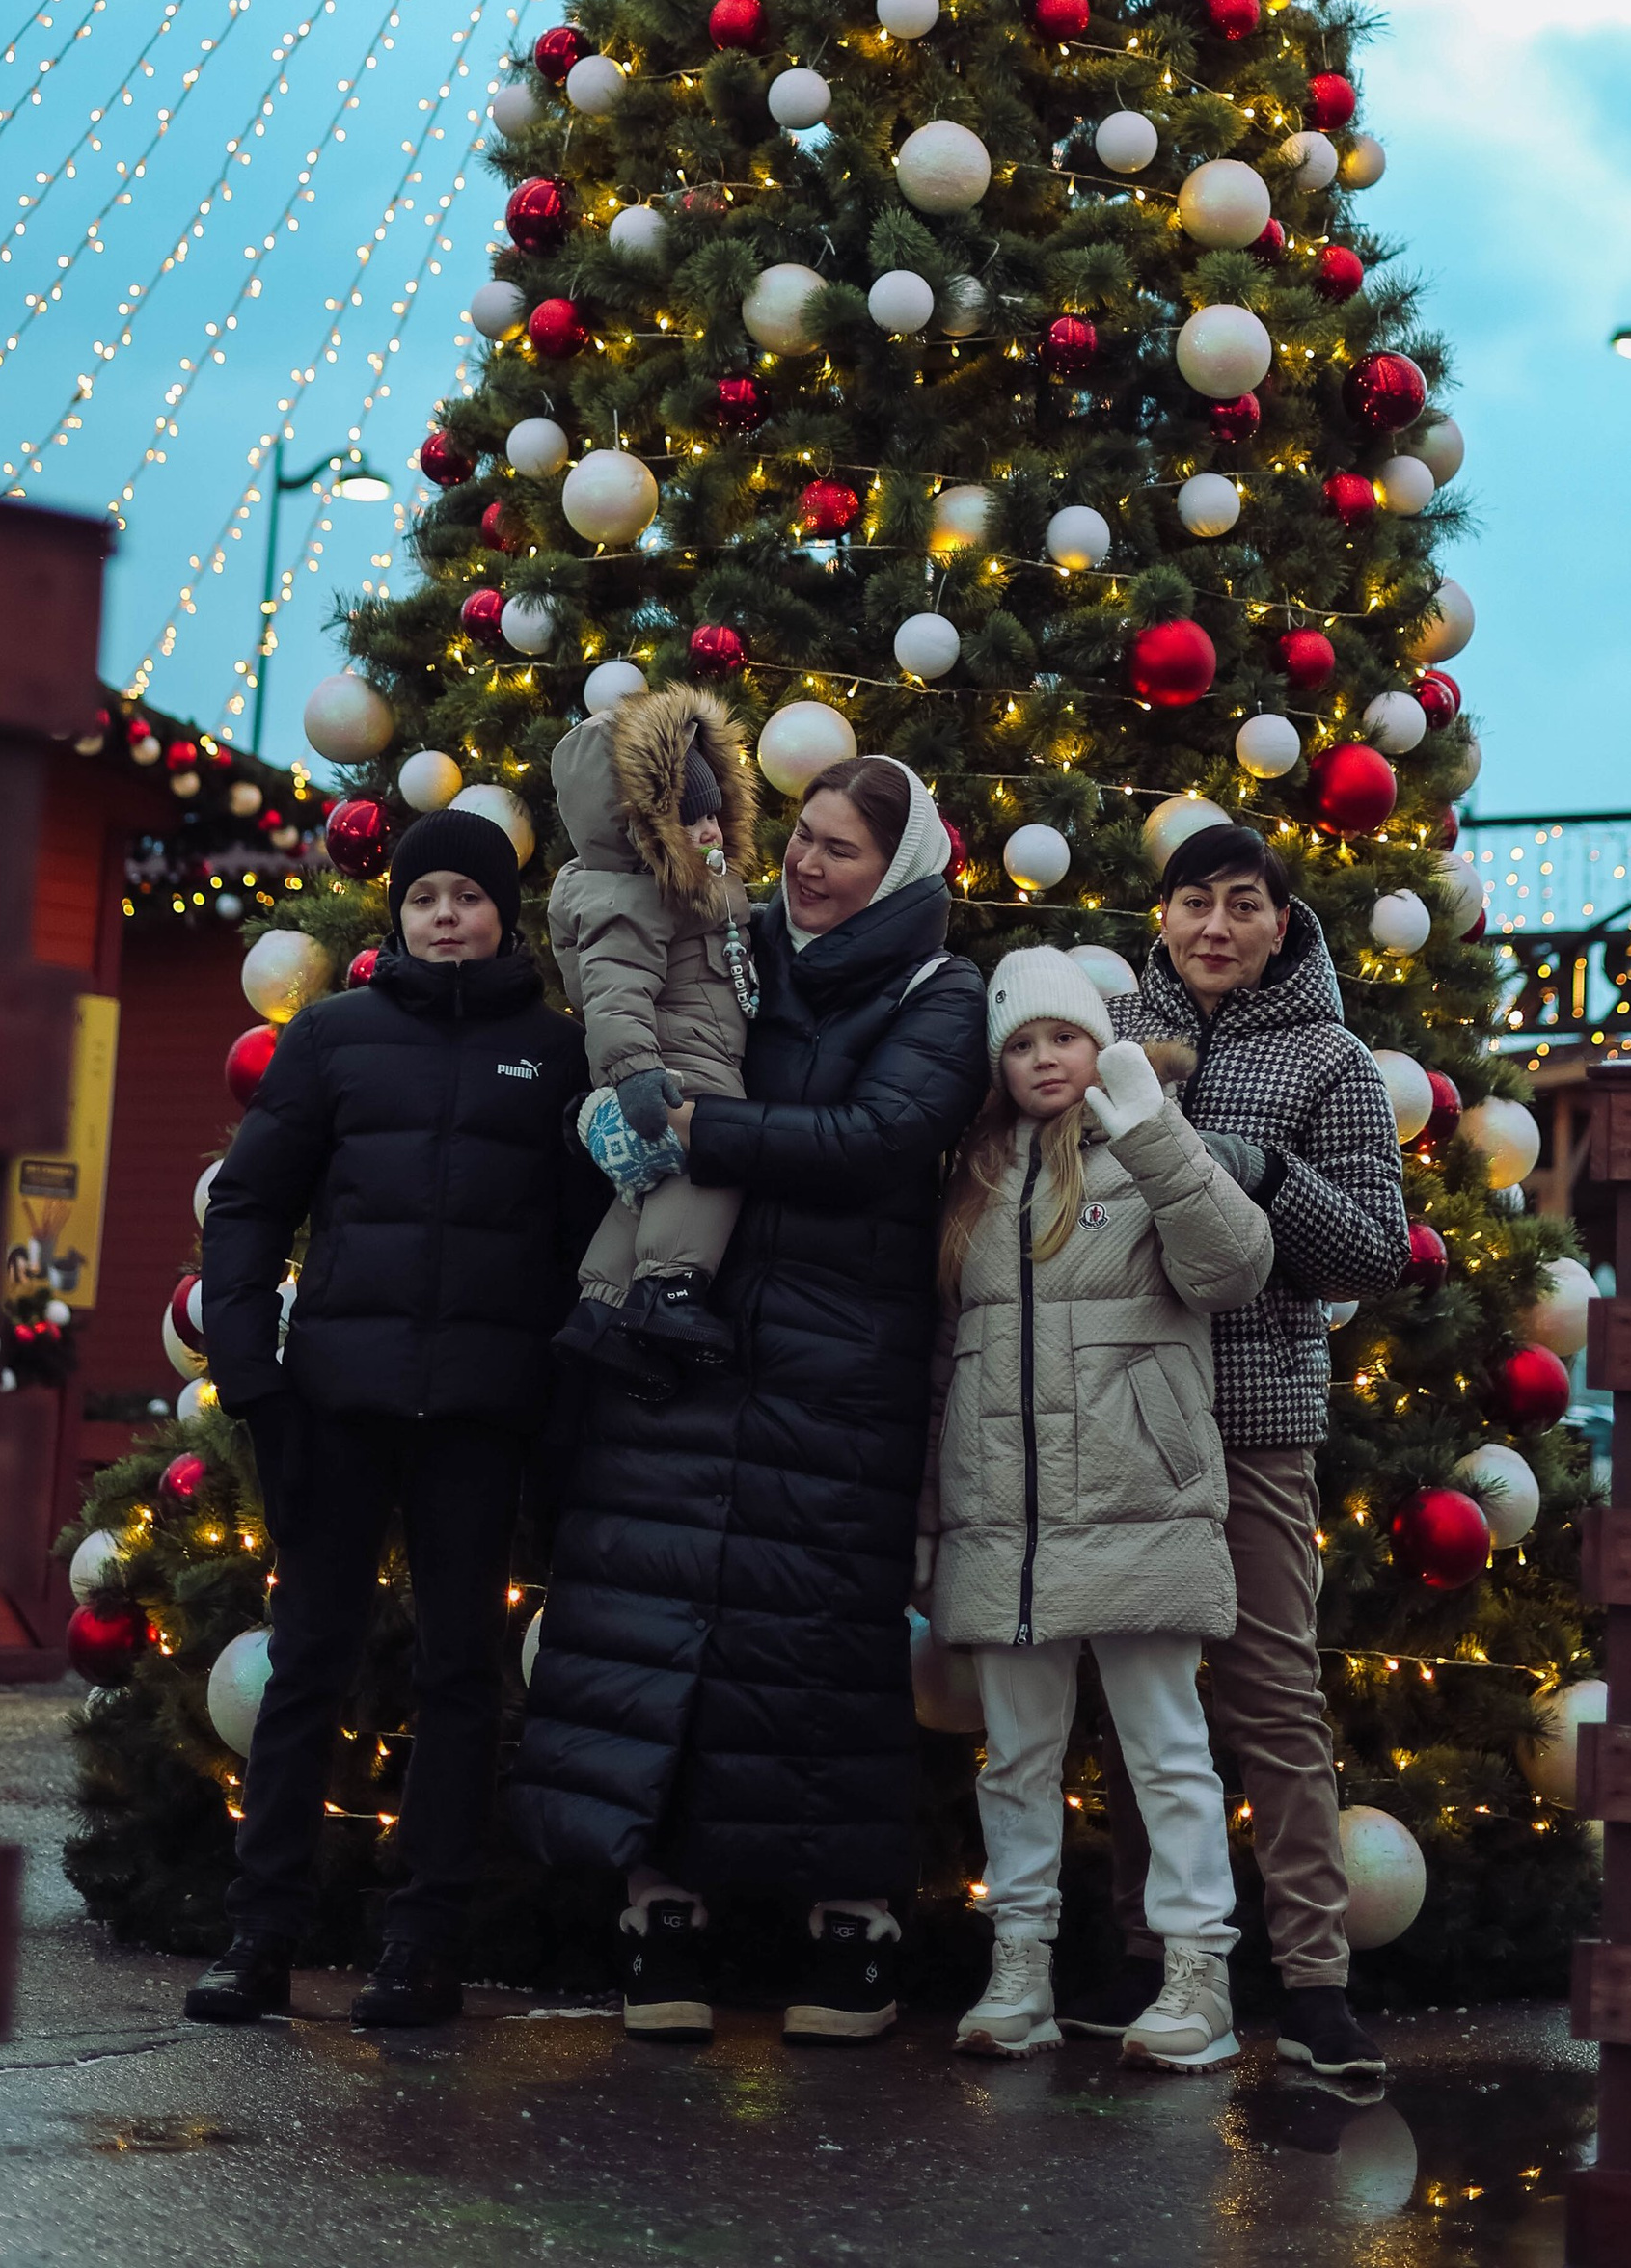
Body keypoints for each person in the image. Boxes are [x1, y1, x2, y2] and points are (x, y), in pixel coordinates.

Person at [508, 752, 988, 2043]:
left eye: (843, 850)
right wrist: (615, 1115)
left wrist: (698, 1131)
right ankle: (655, 1902)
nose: (810, 865)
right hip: (682, 1330)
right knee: (654, 1614)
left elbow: (879, 1140)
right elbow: (632, 1052)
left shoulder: (944, 993)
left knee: (818, 1646)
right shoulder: (728, 947)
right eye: (807, 838)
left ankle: (855, 1919)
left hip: (840, 1367)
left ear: (902, 871)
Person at [187, 809, 589, 2031]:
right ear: (398, 916)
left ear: (503, 914)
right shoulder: (331, 1040)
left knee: (462, 1673)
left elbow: (583, 1245)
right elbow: (250, 1210)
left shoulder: (557, 1055)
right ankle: (261, 1938)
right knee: (307, 1663)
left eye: (469, 896)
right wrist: (254, 1376)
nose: (448, 916)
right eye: (426, 899)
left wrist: (557, 1403)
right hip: (335, 1412)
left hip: (480, 1420)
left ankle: (422, 1946)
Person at [1061, 822, 1408, 2085]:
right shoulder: (1099, 1037)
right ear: (1161, 914)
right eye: (1193, 902)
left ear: (1282, 922)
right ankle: (1146, 1957)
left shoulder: (1332, 1061)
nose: (1214, 927)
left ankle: (1315, 1983)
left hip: (1253, 1420)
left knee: (1273, 1704)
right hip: (1121, 1411)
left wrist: (1260, 1173)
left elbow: (1376, 1254)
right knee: (1136, 1701)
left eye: (1242, 906)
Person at [931, 947, 1272, 2072]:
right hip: (1007, 1524)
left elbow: (1234, 1266)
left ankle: (1196, 1975)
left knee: (1167, 1752)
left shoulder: (1147, 1141)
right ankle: (1019, 1964)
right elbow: (952, 1362)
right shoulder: (972, 1175)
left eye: (1062, 1038)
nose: (1043, 1060)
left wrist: (1154, 1133)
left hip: (1137, 1503)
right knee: (1014, 1760)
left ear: (1100, 1044)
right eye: (1021, 1043)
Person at [544, 683, 759, 1369]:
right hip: (676, 1080)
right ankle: (671, 1291)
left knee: (641, 1196)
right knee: (709, 1171)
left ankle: (598, 1307)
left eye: (714, 814)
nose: (710, 832)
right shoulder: (628, 899)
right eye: (688, 821)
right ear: (637, 830)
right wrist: (637, 1073)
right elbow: (612, 994)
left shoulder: (675, 885)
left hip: (677, 1070)